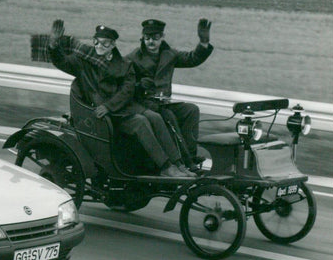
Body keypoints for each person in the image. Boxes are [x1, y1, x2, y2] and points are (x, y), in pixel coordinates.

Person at [47, 20, 193, 178]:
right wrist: (54, 45)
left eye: (104, 44)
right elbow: (62, 61)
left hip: (119, 108)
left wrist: (110, 106)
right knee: (140, 122)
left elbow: (128, 90)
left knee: (155, 117)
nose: (98, 47)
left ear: (112, 45)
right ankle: (165, 167)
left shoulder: (124, 64)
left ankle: (178, 164)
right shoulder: (84, 63)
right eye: (96, 42)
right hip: (103, 115)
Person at [127, 18, 214, 163]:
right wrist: (139, 85)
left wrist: (203, 42)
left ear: (162, 37)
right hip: (144, 104)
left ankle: (191, 155)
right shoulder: (133, 57)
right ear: (142, 38)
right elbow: (123, 81)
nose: (151, 42)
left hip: (162, 103)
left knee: (191, 110)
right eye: (147, 38)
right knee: (168, 116)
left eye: (155, 38)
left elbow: (192, 59)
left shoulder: (169, 55)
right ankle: (182, 160)